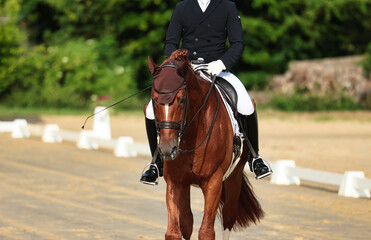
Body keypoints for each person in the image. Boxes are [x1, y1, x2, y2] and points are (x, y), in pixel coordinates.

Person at [140, 0, 272, 185]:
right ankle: (156, 163)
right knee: (151, 111)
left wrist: (222, 63)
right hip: (187, 70)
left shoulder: (227, 6)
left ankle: (254, 157)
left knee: (246, 105)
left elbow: (237, 44)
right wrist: (179, 64)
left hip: (217, 68)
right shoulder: (182, 7)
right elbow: (170, 43)